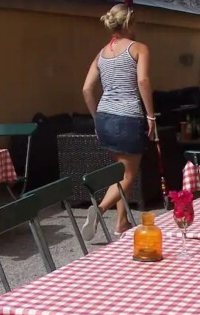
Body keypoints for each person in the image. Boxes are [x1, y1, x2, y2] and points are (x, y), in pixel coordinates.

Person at [81, 4, 155, 239]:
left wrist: (96, 118)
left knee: (120, 174)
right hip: (128, 118)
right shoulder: (139, 48)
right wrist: (151, 116)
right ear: (130, 24)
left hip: (104, 117)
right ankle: (100, 209)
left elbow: (86, 89)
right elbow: (143, 81)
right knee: (128, 175)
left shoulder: (101, 53)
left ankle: (122, 223)